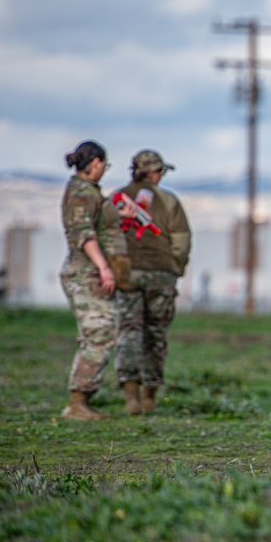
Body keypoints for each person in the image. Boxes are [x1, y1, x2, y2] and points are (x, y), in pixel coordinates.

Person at [113, 150, 192, 415]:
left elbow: (104, 234)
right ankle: (149, 397)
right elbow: (181, 241)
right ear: (153, 172)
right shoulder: (169, 200)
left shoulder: (115, 199)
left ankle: (130, 398)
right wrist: (176, 268)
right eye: (161, 171)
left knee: (128, 331)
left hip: (126, 273)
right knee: (155, 334)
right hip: (161, 274)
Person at [59, 140, 130, 420]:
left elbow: (97, 225)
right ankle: (77, 403)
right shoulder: (82, 192)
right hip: (86, 273)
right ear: (96, 163)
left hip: (91, 273)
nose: (104, 170)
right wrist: (104, 268)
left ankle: (82, 400)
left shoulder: (90, 193)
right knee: (98, 334)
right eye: (105, 165)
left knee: (103, 332)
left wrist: (118, 216)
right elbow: (83, 234)